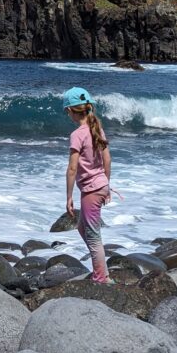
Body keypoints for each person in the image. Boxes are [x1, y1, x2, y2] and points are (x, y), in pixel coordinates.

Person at [63, 87, 113, 284]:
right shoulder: (97, 129)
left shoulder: (78, 134)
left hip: (91, 191)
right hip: (101, 185)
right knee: (83, 228)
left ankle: (101, 277)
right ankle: (101, 271)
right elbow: (107, 160)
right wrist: (107, 185)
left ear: (71, 111)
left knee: (92, 236)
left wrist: (69, 197)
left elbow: (72, 169)